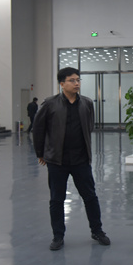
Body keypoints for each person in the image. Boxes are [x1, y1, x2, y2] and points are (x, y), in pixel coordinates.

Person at [32, 67, 110, 251]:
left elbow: (89, 126)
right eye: (72, 80)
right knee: (56, 199)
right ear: (62, 84)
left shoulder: (86, 103)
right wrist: (40, 153)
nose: (76, 83)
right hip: (57, 160)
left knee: (90, 196)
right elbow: (38, 129)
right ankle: (58, 236)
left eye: (78, 80)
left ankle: (97, 231)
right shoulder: (50, 104)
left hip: (81, 159)